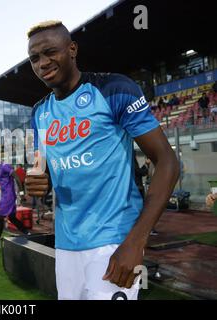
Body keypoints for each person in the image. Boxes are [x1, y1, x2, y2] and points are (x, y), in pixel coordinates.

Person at [24, 21, 179, 300]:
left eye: (50, 52)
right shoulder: (39, 113)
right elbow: (41, 173)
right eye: (34, 58)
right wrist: (35, 183)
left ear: (72, 49)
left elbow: (167, 161)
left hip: (114, 241)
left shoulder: (114, 89)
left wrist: (136, 242)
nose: (42, 63)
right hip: (66, 245)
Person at [0, 155, 30, 250]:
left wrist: (22, 193)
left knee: (0, 217)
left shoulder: (5, 166)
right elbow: (4, 181)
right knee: (12, 218)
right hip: (6, 195)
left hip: (8, 196)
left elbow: (17, 178)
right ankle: (28, 233)